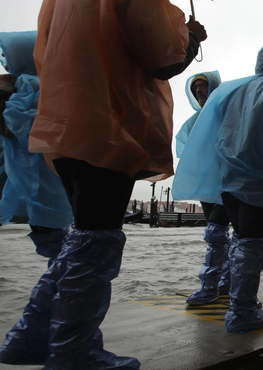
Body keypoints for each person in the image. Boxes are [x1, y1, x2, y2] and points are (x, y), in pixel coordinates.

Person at [2, 2, 206, 368]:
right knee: (96, 243)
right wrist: (190, 38)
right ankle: (73, 352)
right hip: (107, 123)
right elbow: (163, 58)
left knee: (82, 240)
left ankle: (31, 337)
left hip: (64, 125)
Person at [173, 45, 263, 333]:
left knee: (240, 243)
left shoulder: (232, 94)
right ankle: (243, 312)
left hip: (228, 184)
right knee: (252, 247)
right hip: (259, 185)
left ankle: (228, 296)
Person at [0, 31, 73, 264]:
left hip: (41, 180)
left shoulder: (30, 90)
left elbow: (21, 128)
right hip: (50, 181)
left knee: (56, 242)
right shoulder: (60, 90)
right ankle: (57, 290)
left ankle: (55, 292)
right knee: (60, 245)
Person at [175, 71, 233, 306]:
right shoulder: (193, 122)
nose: (199, 90)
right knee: (217, 233)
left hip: (228, 185)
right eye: (196, 87)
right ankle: (227, 281)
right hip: (207, 189)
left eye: (204, 86)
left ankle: (209, 286)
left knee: (216, 233)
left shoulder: (227, 114)